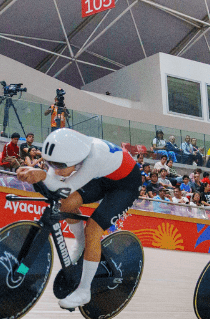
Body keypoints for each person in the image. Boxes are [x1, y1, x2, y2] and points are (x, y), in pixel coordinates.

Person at [17, 129, 141, 309]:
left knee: (93, 229)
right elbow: (54, 183)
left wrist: (42, 176)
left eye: (59, 165)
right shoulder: (66, 153)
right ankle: (81, 242)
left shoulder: (94, 157)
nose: (55, 169)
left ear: (73, 159)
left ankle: (84, 291)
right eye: (50, 163)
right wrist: (35, 174)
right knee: (65, 205)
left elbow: (64, 188)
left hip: (125, 185)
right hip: (102, 176)